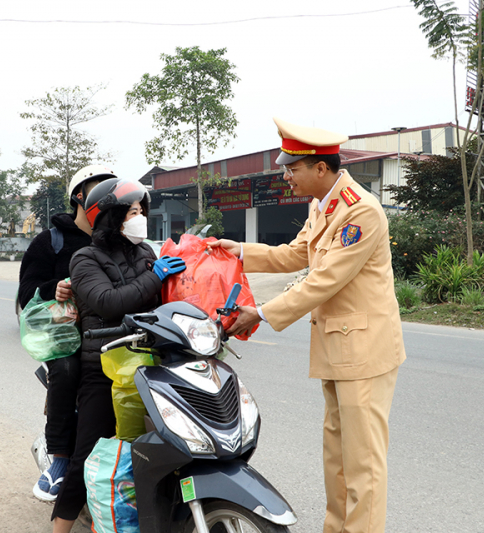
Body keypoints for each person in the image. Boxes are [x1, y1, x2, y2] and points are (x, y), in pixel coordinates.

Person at [209, 117, 406, 533]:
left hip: (365, 353)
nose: (285, 177)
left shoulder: (361, 212)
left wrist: (261, 312)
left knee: (363, 464)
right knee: (337, 458)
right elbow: (296, 254)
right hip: (339, 349)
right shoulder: (324, 205)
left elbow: (323, 279)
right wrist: (241, 251)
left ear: (321, 168)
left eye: (292, 169)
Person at [50, 178, 185, 533]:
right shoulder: (85, 258)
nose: (140, 218)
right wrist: (154, 278)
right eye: (132, 212)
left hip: (149, 364)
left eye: (142, 211)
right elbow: (109, 302)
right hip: (105, 368)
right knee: (87, 457)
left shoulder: (147, 254)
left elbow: (164, 304)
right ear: (111, 218)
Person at [18, 164, 116, 501]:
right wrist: (53, 289)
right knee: (66, 368)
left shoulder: (117, 240)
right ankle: (60, 460)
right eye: (101, 188)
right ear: (79, 195)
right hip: (67, 336)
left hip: (111, 329)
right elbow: (25, 291)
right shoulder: (50, 241)